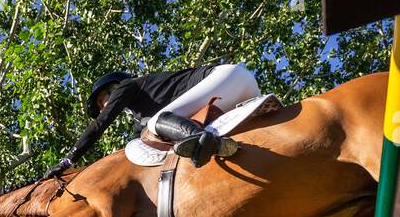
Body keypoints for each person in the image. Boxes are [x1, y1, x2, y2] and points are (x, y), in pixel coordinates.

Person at [48, 63, 260, 175]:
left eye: (104, 99)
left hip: (227, 78)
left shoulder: (127, 86)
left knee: (155, 124)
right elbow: (131, 150)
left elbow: (99, 124)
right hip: (243, 93)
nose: (105, 106)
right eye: (101, 105)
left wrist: (68, 161)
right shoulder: (139, 119)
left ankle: (207, 141)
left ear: (114, 87)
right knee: (148, 134)